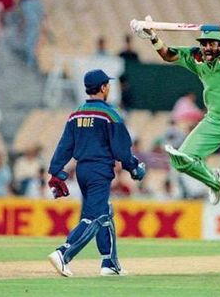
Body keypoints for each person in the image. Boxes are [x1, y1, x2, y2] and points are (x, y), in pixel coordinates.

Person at [131, 16, 220, 210]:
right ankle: (213, 180)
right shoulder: (197, 57)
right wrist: (152, 35)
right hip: (214, 119)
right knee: (182, 160)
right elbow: (168, 55)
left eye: (211, 44)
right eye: (203, 44)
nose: (206, 48)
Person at [47, 69, 146, 277]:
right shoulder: (109, 114)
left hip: (82, 171)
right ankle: (63, 253)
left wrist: (56, 170)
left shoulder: (76, 114)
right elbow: (121, 150)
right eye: (107, 85)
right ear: (102, 88)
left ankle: (110, 262)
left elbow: (64, 145)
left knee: (105, 212)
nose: (109, 88)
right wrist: (134, 168)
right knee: (93, 216)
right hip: (100, 171)